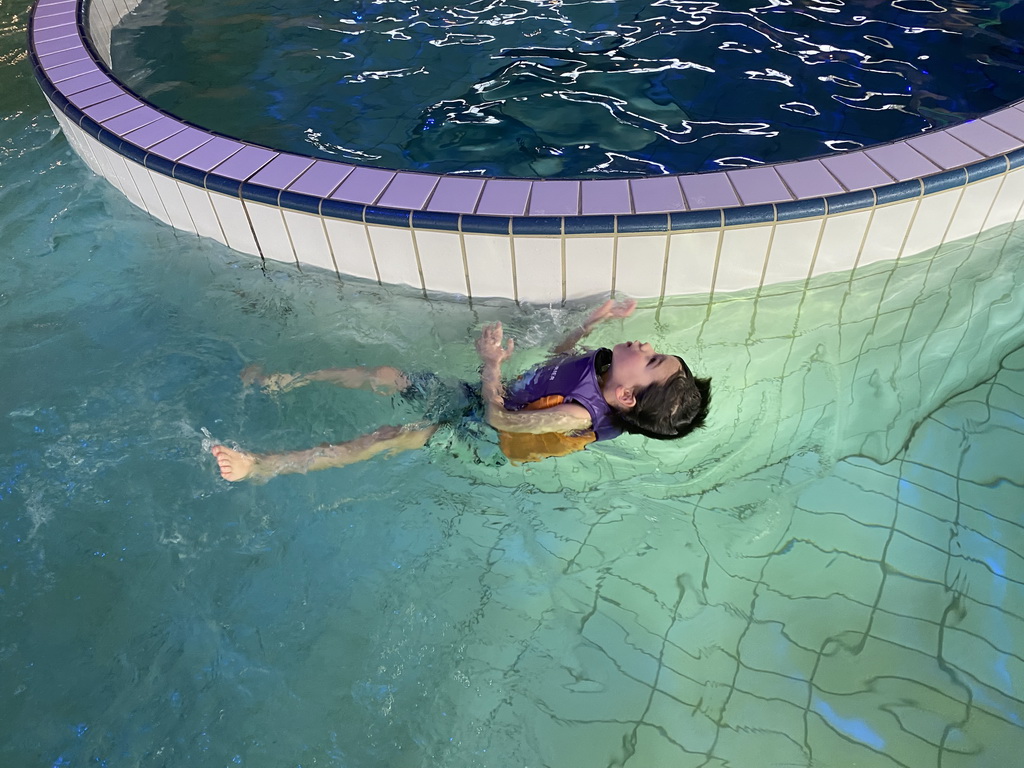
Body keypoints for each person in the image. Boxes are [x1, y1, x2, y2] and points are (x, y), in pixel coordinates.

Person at [210, 299, 711, 481]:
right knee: (388, 375)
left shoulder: (576, 419)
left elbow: (501, 422)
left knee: (391, 434)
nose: (644, 344)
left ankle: (263, 466)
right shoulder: (605, 372)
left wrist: (491, 364)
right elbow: (562, 363)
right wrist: (590, 322)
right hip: (487, 397)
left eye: (650, 358)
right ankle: (284, 382)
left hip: (485, 438)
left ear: (626, 397)